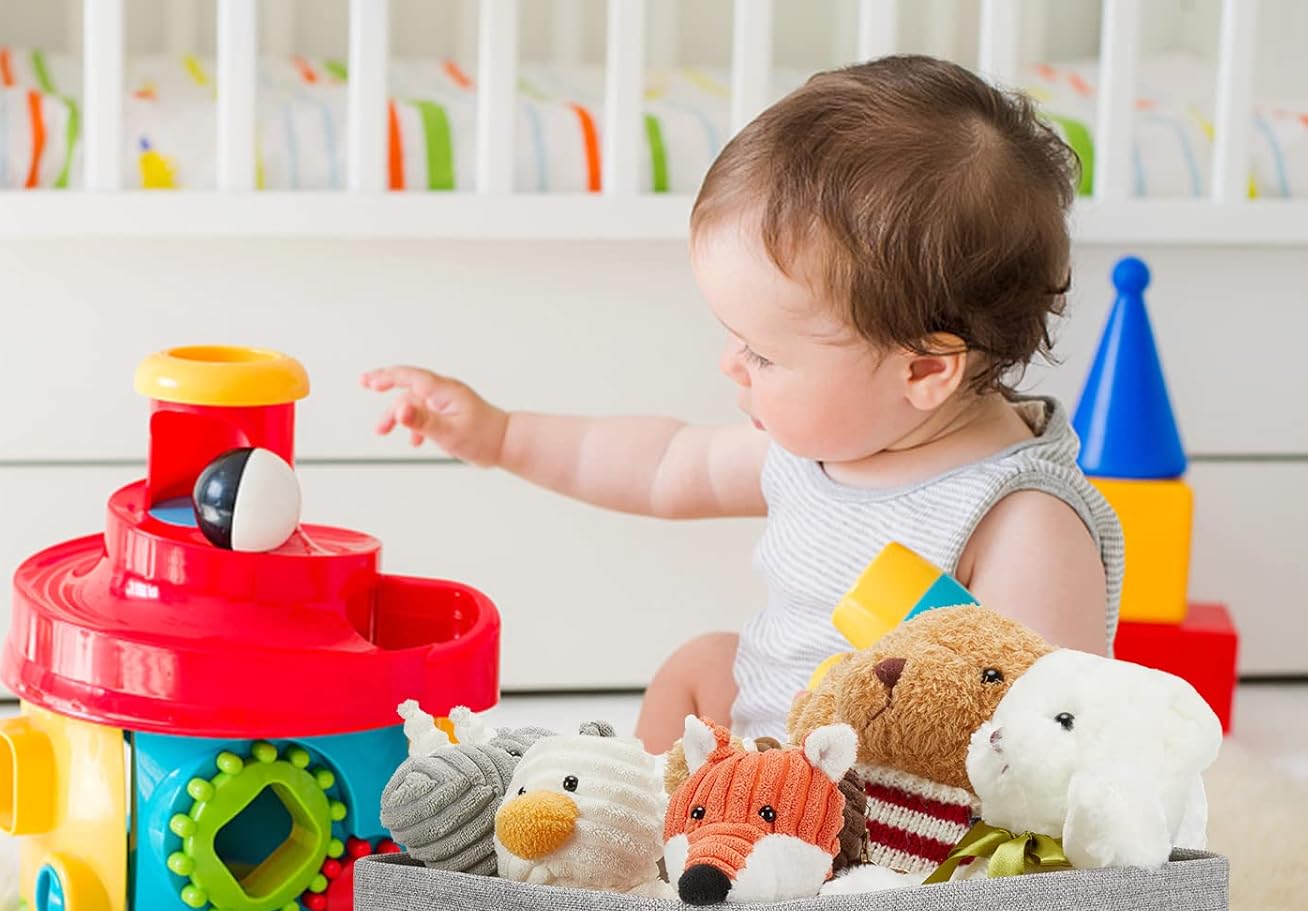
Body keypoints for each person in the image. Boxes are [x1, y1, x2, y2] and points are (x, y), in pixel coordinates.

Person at [363, 55, 1123, 751]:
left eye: (762, 353)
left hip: (893, 808)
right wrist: (499, 435)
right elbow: (661, 466)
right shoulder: (827, 441)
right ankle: (651, 827)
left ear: (925, 369)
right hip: (763, 767)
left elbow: (1053, 736)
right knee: (701, 666)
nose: (731, 364)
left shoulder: (1020, 519)